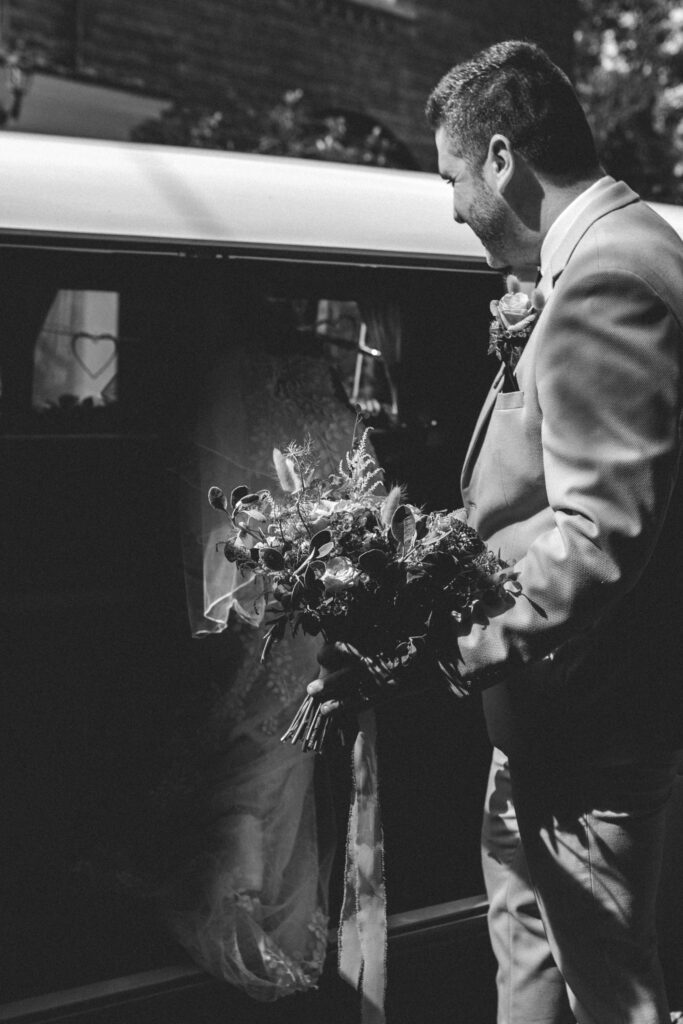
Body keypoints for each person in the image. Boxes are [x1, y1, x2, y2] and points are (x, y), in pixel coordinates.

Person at [310, 40, 683, 1024]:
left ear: (503, 157)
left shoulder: (609, 279)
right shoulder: (612, 256)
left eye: (451, 176)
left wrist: (439, 638)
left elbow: (598, 533)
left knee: (606, 991)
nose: (452, 207)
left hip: (588, 731)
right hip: (546, 723)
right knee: (527, 965)